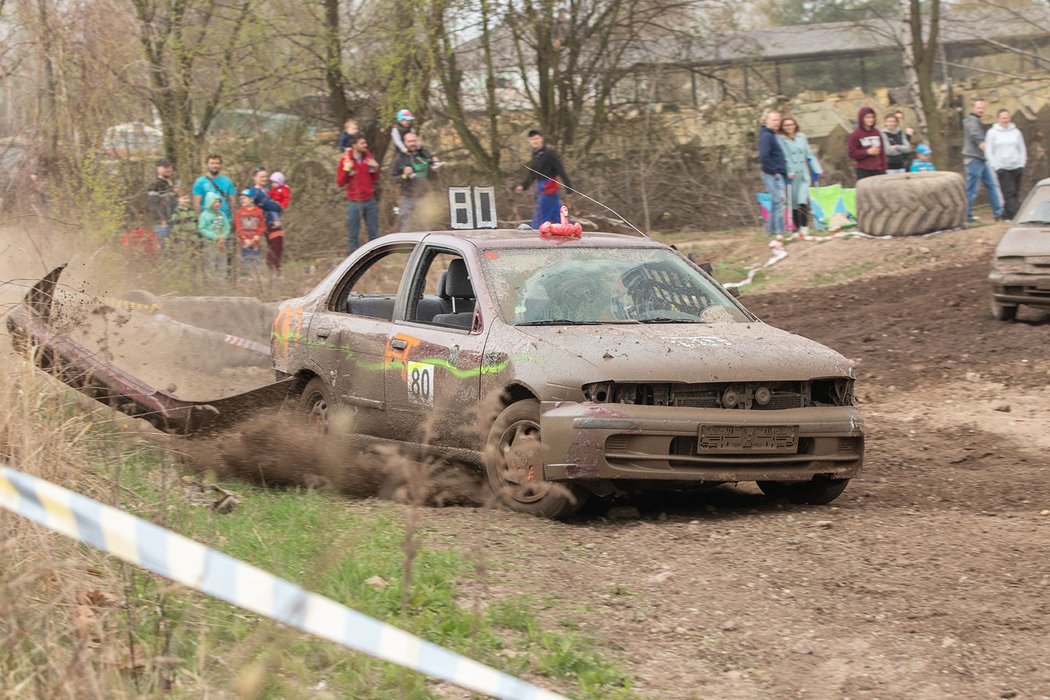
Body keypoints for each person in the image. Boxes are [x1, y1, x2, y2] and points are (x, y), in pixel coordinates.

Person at [515, 129, 572, 229]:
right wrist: (523, 186)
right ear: (529, 141)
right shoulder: (536, 155)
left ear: (542, 139)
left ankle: (535, 238)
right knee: (559, 218)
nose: (535, 141)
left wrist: (569, 188)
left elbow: (560, 170)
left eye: (536, 138)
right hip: (542, 190)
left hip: (549, 189)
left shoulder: (549, 153)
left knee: (540, 219)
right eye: (532, 139)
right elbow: (532, 173)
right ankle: (571, 232)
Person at [776, 115, 822, 234]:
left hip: (803, 174)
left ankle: (804, 227)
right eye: (786, 125)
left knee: (802, 200)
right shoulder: (780, 139)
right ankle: (795, 229)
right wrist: (789, 170)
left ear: (795, 125)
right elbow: (785, 157)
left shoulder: (802, 137)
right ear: (782, 127)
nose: (789, 127)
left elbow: (809, 154)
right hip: (791, 176)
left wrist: (816, 168)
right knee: (793, 203)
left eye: (791, 124)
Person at [337, 133, 380, 252]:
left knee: (373, 233)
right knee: (353, 234)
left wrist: (376, 167)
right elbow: (340, 182)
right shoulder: (345, 160)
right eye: (362, 143)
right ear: (354, 145)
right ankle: (353, 262)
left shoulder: (368, 157)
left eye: (365, 143)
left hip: (370, 200)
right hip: (354, 202)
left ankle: (374, 261)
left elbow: (375, 179)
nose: (365, 145)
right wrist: (346, 169)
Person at [962, 98, 1004, 223]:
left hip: (981, 159)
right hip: (973, 159)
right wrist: (990, 152)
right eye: (979, 108)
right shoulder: (971, 121)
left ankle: (998, 213)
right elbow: (977, 138)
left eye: (983, 108)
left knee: (991, 185)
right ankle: (966, 215)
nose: (981, 110)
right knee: (972, 189)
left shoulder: (976, 121)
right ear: (973, 108)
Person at [390, 132, 442, 232]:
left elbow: (433, 176)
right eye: (409, 141)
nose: (412, 143)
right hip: (407, 196)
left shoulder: (424, 154)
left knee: (426, 226)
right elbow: (392, 178)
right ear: (405, 143)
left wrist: (435, 169)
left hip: (424, 196)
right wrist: (404, 175)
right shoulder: (400, 158)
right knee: (405, 227)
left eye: (414, 141)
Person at [986, 108, 1026, 220]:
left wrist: (1022, 163)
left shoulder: (1016, 132)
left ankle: (1006, 215)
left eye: (1007, 118)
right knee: (1009, 192)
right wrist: (995, 166)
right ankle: (1016, 215)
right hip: (1002, 167)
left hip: (1016, 166)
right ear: (998, 119)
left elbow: (1022, 148)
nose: (1005, 120)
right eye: (1003, 118)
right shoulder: (992, 133)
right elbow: (989, 151)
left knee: (1015, 192)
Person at [245, 168, 285, 274]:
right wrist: (277, 206)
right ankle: (271, 270)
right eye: (261, 176)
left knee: (278, 246)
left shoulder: (269, 190)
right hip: (265, 223)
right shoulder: (254, 192)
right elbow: (269, 204)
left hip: (273, 221)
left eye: (266, 176)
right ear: (254, 178)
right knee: (272, 247)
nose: (264, 179)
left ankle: (276, 270)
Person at [758, 110, 787, 236]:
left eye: (778, 120)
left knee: (777, 202)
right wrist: (774, 171)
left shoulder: (771, 134)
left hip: (775, 172)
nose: (777, 122)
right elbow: (764, 156)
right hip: (772, 174)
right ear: (766, 121)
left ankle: (771, 231)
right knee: (779, 202)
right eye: (774, 120)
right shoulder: (767, 136)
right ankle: (779, 231)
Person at [191, 154, 237, 219]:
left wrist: (233, 218)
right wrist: (200, 220)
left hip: (224, 219)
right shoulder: (200, 182)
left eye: (217, 163)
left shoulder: (227, 181)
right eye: (212, 163)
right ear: (207, 165)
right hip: (207, 220)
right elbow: (197, 204)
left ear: (221, 165)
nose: (215, 166)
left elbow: (232, 202)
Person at [198, 191, 231, 281]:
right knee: (210, 263)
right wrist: (213, 236)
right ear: (209, 202)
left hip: (221, 243)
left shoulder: (222, 214)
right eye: (215, 201)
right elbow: (202, 228)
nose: (218, 204)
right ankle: (211, 283)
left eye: (219, 202)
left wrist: (223, 236)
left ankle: (221, 282)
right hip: (210, 244)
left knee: (222, 263)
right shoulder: (204, 215)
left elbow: (227, 227)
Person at [847, 107, 887, 181]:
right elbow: (851, 153)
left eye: (872, 117)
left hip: (878, 170)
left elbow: (882, 153)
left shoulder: (877, 132)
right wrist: (867, 152)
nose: (870, 120)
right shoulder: (855, 134)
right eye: (867, 117)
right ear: (862, 118)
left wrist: (884, 168)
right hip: (864, 170)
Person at [234, 190, 265, 279]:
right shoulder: (239, 212)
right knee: (245, 262)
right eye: (241, 199)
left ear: (251, 199)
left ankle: (256, 281)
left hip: (255, 242)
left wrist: (257, 236)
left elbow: (262, 226)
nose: (242, 200)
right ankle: (244, 281)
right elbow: (238, 228)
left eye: (244, 198)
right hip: (245, 243)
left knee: (256, 262)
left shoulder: (259, 211)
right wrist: (244, 239)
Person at [147, 158, 177, 246]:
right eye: (165, 167)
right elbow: (152, 205)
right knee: (166, 251)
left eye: (170, 167)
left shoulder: (172, 185)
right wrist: (161, 220)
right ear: (158, 169)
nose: (168, 169)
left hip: (175, 223)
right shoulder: (155, 185)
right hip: (163, 225)